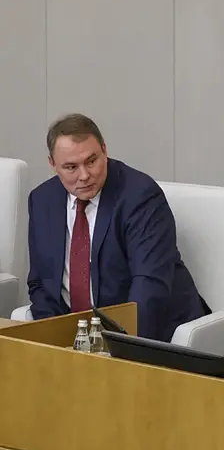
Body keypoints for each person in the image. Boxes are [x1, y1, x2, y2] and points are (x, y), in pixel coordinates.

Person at [26, 114, 208, 342]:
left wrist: (117, 346)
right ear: (53, 164)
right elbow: (41, 284)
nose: (84, 176)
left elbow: (149, 286)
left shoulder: (140, 196)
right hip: (78, 338)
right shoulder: (42, 200)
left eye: (91, 161)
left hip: (148, 334)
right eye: (71, 167)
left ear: (104, 150)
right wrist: (54, 340)